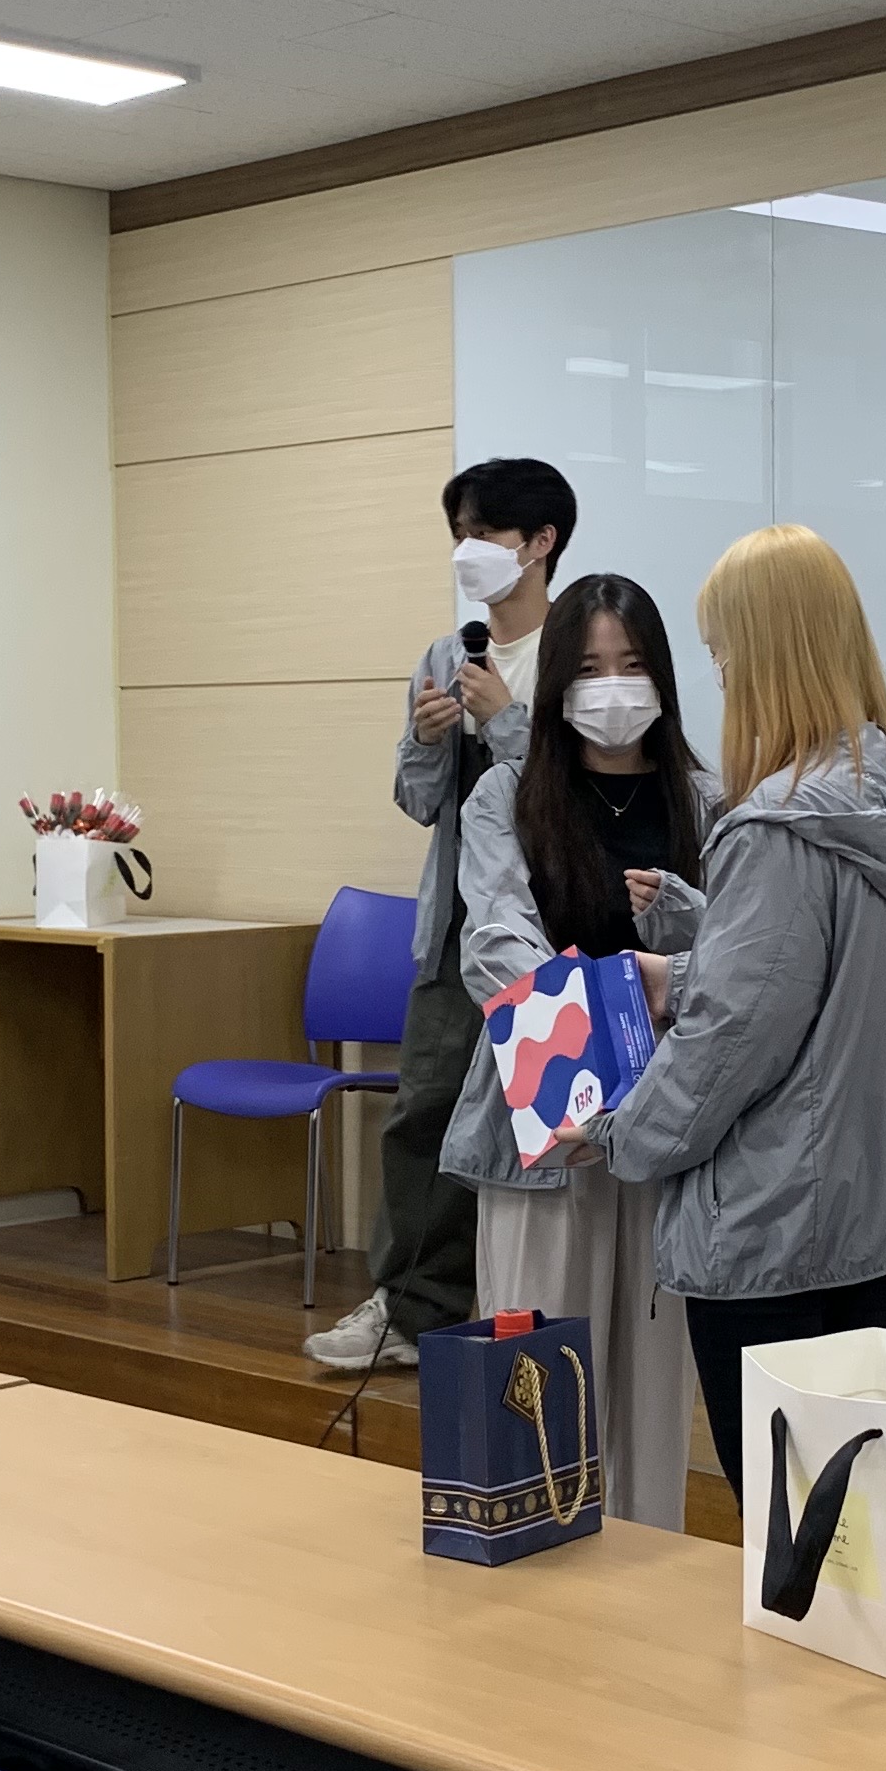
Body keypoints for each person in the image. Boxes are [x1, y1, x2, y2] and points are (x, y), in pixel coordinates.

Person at [583, 525, 886, 1493]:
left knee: (789, 1522)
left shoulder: (777, 824)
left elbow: (731, 1042)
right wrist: (690, 964)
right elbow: (823, 989)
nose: (721, 676)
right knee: (866, 1515)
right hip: (860, 1217)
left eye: (721, 653)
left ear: (766, 652)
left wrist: (622, 1135)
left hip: (765, 1227)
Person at [443, 574, 715, 1526]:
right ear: (557, 681)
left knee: (651, 1385)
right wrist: (598, 1072)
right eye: (591, 668)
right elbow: (496, 947)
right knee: (538, 1377)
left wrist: (685, 937)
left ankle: (644, 1577)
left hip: (672, 1125)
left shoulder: (711, 800)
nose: (612, 688)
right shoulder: (506, 796)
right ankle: (533, 1576)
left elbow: (747, 962)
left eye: (631, 665)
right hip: (547, 1121)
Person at [305, 457, 576, 1376]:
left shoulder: (586, 651)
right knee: (424, 1116)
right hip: (457, 931)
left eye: (486, 533)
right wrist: (426, 743)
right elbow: (422, 802)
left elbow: (584, 797)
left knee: (555, 1127)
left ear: (539, 542)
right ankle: (409, 1312)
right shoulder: (446, 654)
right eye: (458, 532)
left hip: (558, 933)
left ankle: (538, 1321)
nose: (467, 550)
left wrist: (506, 723)